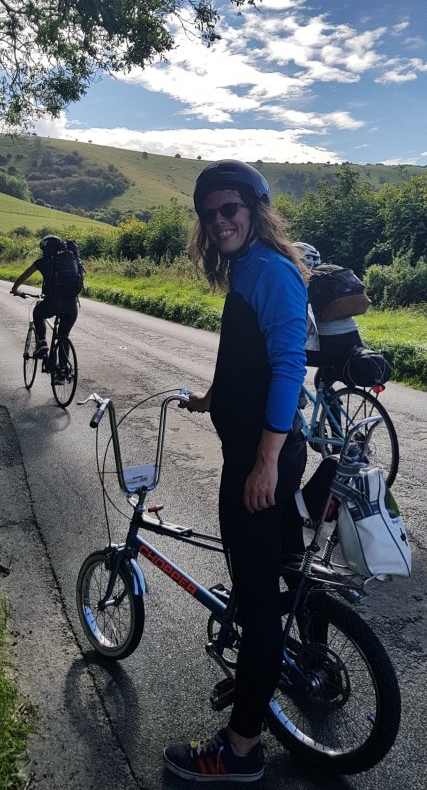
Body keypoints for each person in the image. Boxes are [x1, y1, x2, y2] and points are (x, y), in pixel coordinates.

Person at [163, 161, 308, 782]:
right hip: (256, 449)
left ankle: (240, 749)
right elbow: (241, 356)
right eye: (210, 212)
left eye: (231, 209)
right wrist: (211, 398)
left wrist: (265, 462)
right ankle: (307, 661)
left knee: (255, 605)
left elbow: (286, 368)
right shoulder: (246, 270)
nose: (220, 220)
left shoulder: (270, 271)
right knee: (278, 578)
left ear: (254, 209)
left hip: (260, 458)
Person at [11, 235, 79, 373]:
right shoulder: (72, 260)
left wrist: (15, 289)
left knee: (38, 313)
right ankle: (62, 370)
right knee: (63, 336)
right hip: (72, 304)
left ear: (45, 249)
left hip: (54, 301)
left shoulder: (43, 261)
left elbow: (24, 275)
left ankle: (42, 343)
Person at [293, 242, 363, 375]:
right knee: (324, 382)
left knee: (290, 360)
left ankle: (299, 394)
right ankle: (329, 395)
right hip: (353, 338)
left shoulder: (305, 283)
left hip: (327, 345)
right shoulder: (329, 276)